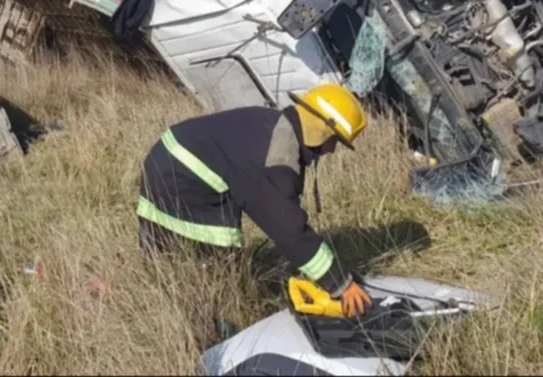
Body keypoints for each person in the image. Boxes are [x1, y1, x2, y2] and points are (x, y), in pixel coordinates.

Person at [135, 83, 374, 317]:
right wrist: (340, 283)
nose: (332, 150)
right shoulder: (275, 155)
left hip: (170, 164)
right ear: (321, 130)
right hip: (180, 182)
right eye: (335, 141)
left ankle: (145, 288)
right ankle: (210, 318)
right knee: (215, 272)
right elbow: (287, 229)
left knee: (166, 262)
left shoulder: (278, 127)